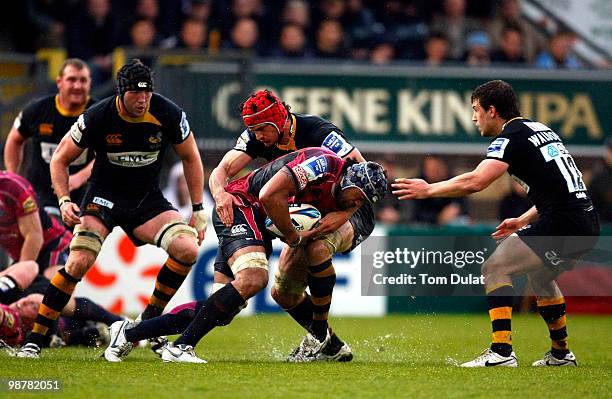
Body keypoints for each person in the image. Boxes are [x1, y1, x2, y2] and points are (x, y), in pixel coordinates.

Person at [103, 147, 387, 363]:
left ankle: (128, 332)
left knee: (221, 308)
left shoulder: (346, 199)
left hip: (256, 219)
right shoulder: (323, 164)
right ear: (349, 180)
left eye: (363, 202)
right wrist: (291, 235)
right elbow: (266, 195)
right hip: (240, 206)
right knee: (254, 278)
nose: (357, 204)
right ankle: (181, 347)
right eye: (358, 196)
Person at [392, 80, 599, 367]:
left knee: (495, 268)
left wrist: (429, 189)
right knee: (540, 277)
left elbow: (477, 181)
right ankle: (561, 353)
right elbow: (559, 188)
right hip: (584, 220)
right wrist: (524, 218)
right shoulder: (540, 129)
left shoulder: (510, 136)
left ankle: (501, 352)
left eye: (476, 110)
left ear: (492, 110)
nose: (474, 117)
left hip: (563, 222)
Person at [16, 59, 207, 359]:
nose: (142, 99)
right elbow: (59, 159)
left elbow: (192, 158)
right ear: (120, 92)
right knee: (78, 262)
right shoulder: (98, 116)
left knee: (187, 249)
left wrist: (198, 210)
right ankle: (34, 340)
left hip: (146, 200)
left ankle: (147, 324)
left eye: (146, 93)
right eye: (134, 93)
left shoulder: (168, 113)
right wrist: (65, 199)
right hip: (102, 198)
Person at [209, 89, 374, 362]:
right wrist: (219, 194)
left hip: (352, 208)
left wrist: (345, 213)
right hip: (311, 210)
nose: (257, 135)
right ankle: (333, 347)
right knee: (283, 293)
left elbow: (362, 171)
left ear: (280, 120)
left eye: (262, 128)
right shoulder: (254, 136)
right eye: (252, 129)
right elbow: (222, 170)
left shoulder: (318, 131)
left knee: (318, 248)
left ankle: (318, 336)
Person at [4, 58, 95, 219]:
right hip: (41, 194)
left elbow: (108, 155)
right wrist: (14, 178)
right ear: (59, 82)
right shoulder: (38, 110)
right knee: (49, 235)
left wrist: (79, 178)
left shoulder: (98, 113)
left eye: (83, 80)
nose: (77, 86)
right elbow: (14, 139)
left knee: (81, 241)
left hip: (83, 195)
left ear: (90, 82)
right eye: (71, 79)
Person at [0, 171, 72, 305]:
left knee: (49, 296)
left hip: (53, 245)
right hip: (22, 255)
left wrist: (18, 278)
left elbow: (34, 236)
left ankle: (106, 320)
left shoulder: (12, 187)